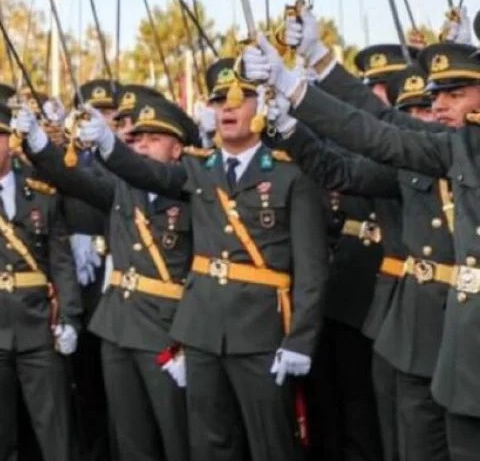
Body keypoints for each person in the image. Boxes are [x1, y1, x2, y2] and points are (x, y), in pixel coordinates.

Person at [247, 14, 480, 460]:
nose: (439, 107)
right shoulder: (457, 148)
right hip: (436, 334)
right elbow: (378, 129)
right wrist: (301, 83)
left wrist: (298, 86)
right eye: (436, 97)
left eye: (455, 95)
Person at [79, 57, 328, 461]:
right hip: (202, 330)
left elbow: (312, 271)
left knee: (272, 444)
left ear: (264, 105)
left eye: (240, 98)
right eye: (219, 101)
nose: (227, 107)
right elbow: (148, 174)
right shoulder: (197, 168)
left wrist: (300, 339)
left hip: (260, 332)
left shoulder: (290, 175)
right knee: (210, 444)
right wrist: (108, 143)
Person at [18, 90, 197, 461]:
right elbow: (72, 178)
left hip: (167, 329)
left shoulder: (192, 190)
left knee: (177, 435)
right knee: (129, 438)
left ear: (178, 149)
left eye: (154, 139)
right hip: (117, 325)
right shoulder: (122, 189)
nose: (142, 145)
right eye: (138, 138)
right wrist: (36, 140)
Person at [0, 98, 83, 460]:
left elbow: (61, 262)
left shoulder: (41, 194)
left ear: (11, 142)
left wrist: (70, 318)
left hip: (38, 326)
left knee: (56, 431)